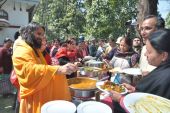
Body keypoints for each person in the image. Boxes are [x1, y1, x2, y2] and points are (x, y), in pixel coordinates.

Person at [12, 22, 77, 113]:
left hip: (41, 96)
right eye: (39, 34)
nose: (42, 37)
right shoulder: (21, 49)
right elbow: (28, 71)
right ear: (28, 33)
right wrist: (58, 69)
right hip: (33, 99)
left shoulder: (34, 49)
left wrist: (58, 68)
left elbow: (44, 67)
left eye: (43, 34)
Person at [110, 29, 170, 113]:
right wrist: (135, 90)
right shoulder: (163, 70)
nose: (145, 54)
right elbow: (149, 96)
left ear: (164, 55)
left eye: (149, 52)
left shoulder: (165, 79)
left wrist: (121, 99)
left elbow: (149, 108)